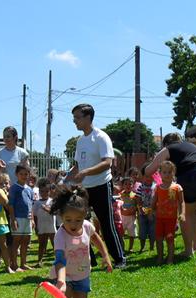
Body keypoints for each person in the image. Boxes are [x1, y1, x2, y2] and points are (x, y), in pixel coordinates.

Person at [67, 103, 126, 268]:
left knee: (106, 223)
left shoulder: (101, 137)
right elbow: (77, 166)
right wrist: (66, 179)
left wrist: (85, 173)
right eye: (74, 118)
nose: (74, 121)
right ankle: (89, 260)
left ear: (88, 117)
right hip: (84, 189)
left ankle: (119, 259)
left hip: (101, 185)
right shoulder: (80, 141)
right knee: (80, 224)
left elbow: (107, 163)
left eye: (77, 117)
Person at [49, 185, 112, 298]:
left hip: (83, 274)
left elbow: (96, 238)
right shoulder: (60, 236)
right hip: (66, 276)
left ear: (84, 216)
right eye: (68, 220)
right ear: (61, 217)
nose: (73, 224)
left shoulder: (87, 226)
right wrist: (62, 280)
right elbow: (60, 260)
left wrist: (105, 255)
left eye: (78, 220)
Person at [145, 132, 196, 259]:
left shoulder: (168, 149)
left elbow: (148, 171)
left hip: (192, 174)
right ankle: (195, 246)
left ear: (166, 143)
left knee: (187, 214)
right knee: (195, 212)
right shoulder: (190, 145)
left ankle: (189, 251)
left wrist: (157, 165)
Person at [151, 161, 184, 264]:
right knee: (159, 239)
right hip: (159, 218)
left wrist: (182, 213)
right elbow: (154, 201)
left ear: (173, 173)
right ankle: (160, 257)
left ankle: (170, 258)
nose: (167, 174)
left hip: (171, 219)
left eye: (170, 172)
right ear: (160, 174)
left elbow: (182, 202)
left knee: (170, 239)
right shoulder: (157, 187)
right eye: (164, 172)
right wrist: (151, 211)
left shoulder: (177, 187)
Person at [9, 163, 34, 271]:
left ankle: (23, 263)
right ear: (16, 174)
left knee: (25, 241)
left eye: (26, 174)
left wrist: (32, 219)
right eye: (21, 174)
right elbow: (10, 205)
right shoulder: (14, 188)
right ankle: (14, 264)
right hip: (18, 218)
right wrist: (13, 219)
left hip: (27, 219)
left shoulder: (29, 189)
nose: (24, 176)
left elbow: (31, 205)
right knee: (16, 242)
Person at [33, 178, 56, 265]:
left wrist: (46, 209)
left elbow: (54, 212)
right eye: (42, 191)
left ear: (50, 191)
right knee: (42, 244)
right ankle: (39, 261)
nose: (44, 193)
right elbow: (34, 215)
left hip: (51, 226)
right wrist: (36, 227)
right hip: (41, 227)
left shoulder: (52, 201)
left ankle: (58, 259)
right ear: (39, 192)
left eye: (46, 191)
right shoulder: (37, 203)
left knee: (55, 243)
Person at [136, 162, 156, 253]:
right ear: (143, 176)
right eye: (146, 176)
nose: (148, 178)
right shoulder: (140, 187)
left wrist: (151, 211)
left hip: (153, 212)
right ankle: (142, 246)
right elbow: (138, 199)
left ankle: (152, 246)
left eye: (151, 176)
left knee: (153, 230)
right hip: (142, 212)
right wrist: (141, 210)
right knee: (142, 230)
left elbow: (157, 200)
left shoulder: (156, 187)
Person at [118, 176, 139, 253]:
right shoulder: (120, 195)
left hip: (131, 218)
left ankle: (130, 248)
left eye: (130, 184)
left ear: (133, 185)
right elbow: (118, 206)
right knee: (121, 233)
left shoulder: (134, 195)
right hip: (122, 217)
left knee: (131, 234)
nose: (128, 186)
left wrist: (136, 209)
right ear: (123, 185)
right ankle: (121, 247)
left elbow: (137, 205)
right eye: (126, 184)